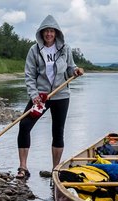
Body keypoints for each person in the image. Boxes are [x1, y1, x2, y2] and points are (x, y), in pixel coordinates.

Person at [17, 14, 84, 180]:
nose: (48, 34)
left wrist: (75, 71)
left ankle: (55, 170)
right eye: (46, 31)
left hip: (61, 96)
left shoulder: (65, 49)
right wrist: (34, 96)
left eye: (51, 31)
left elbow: (70, 68)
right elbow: (29, 75)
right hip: (41, 97)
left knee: (58, 131)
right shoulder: (34, 50)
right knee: (24, 125)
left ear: (56, 33)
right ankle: (23, 167)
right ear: (41, 33)